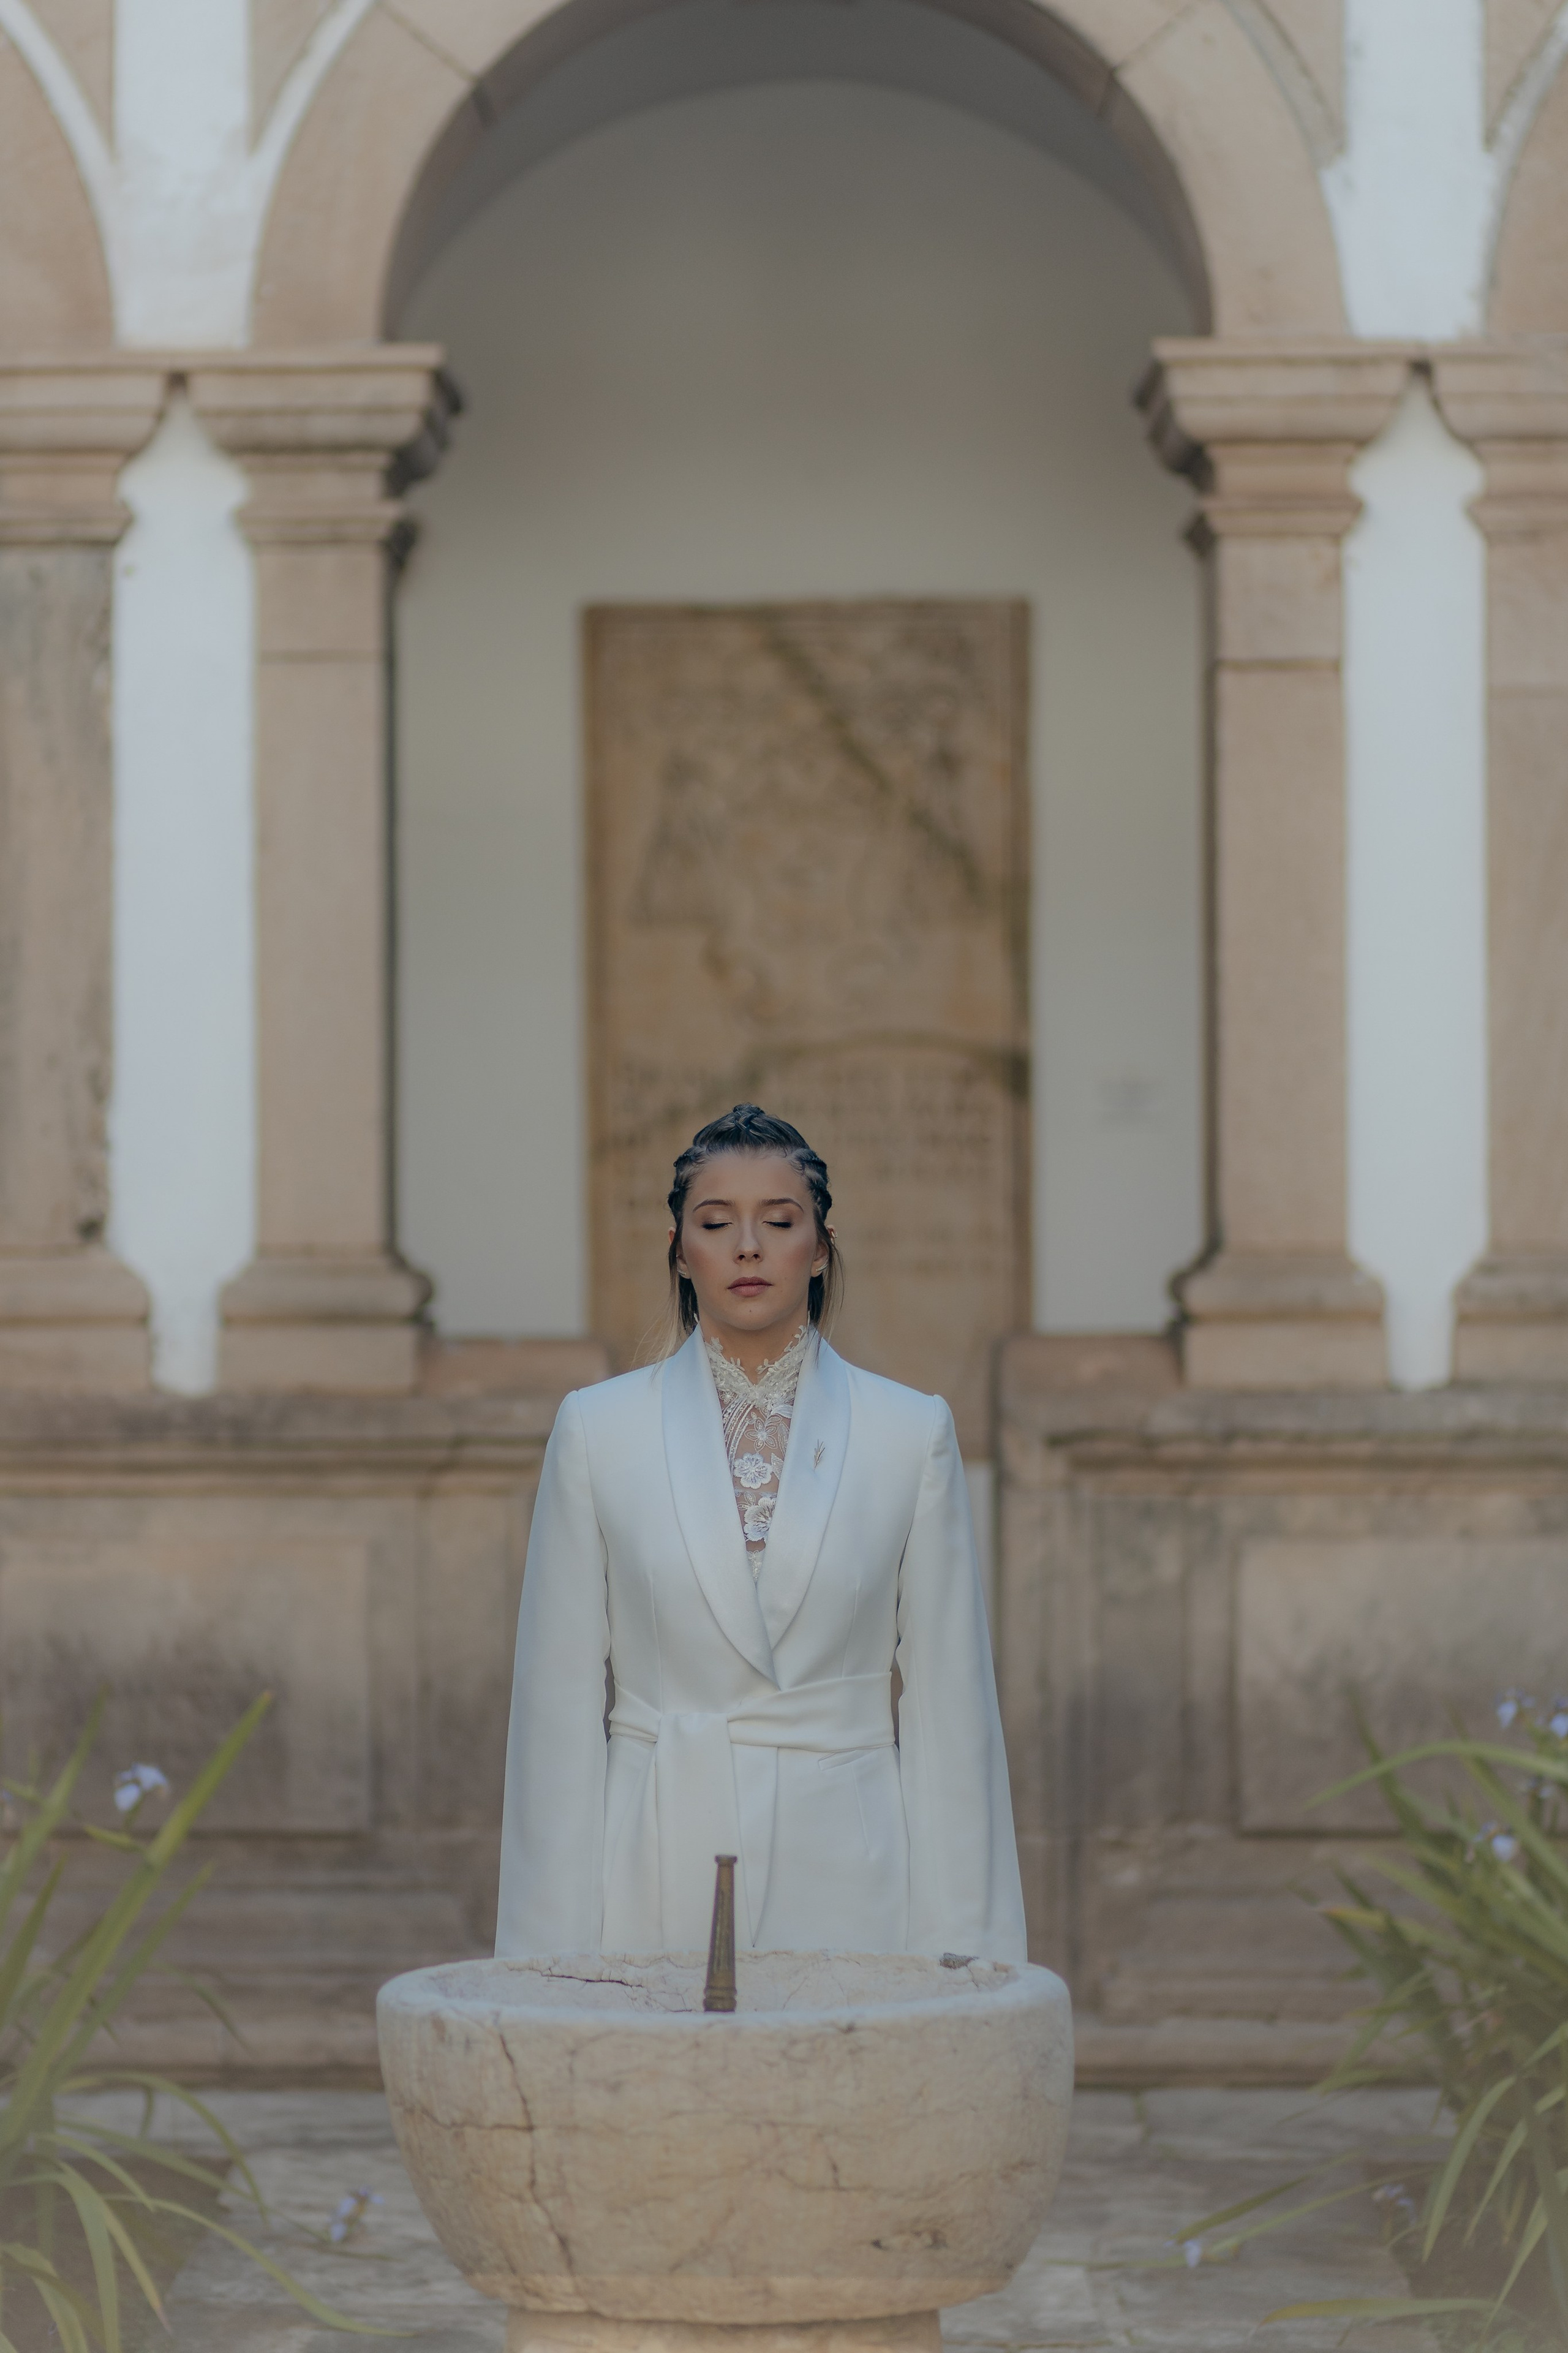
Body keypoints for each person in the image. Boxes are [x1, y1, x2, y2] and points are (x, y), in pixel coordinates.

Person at [496, 1103, 1027, 1963]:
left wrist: (966, 1949)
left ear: (820, 1248)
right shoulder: (598, 1429)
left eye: (779, 1222)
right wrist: (544, 1957)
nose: (748, 1247)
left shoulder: (907, 1431)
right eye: (716, 1223)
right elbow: (554, 1713)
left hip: (849, 1870)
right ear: (680, 1249)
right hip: (652, 1860)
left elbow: (950, 1707)